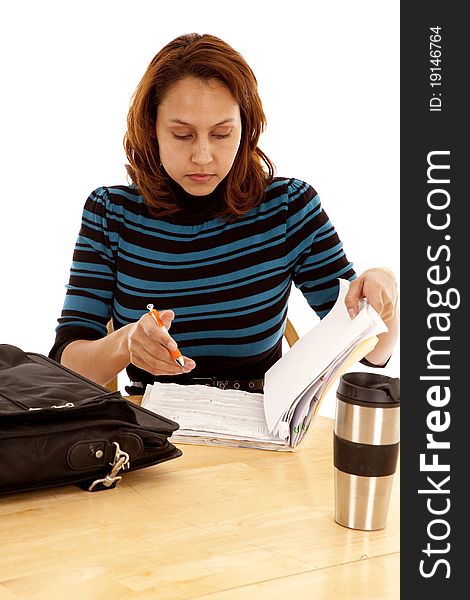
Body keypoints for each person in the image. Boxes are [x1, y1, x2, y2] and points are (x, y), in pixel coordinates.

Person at [49, 33, 399, 395]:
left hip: (261, 434)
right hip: (147, 430)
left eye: (221, 134)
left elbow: (368, 352)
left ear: (246, 129)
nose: (203, 156)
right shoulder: (110, 214)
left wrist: (385, 292)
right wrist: (125, 344)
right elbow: (66, 363)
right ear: (151, 129)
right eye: (183, 135)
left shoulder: (288, 208)